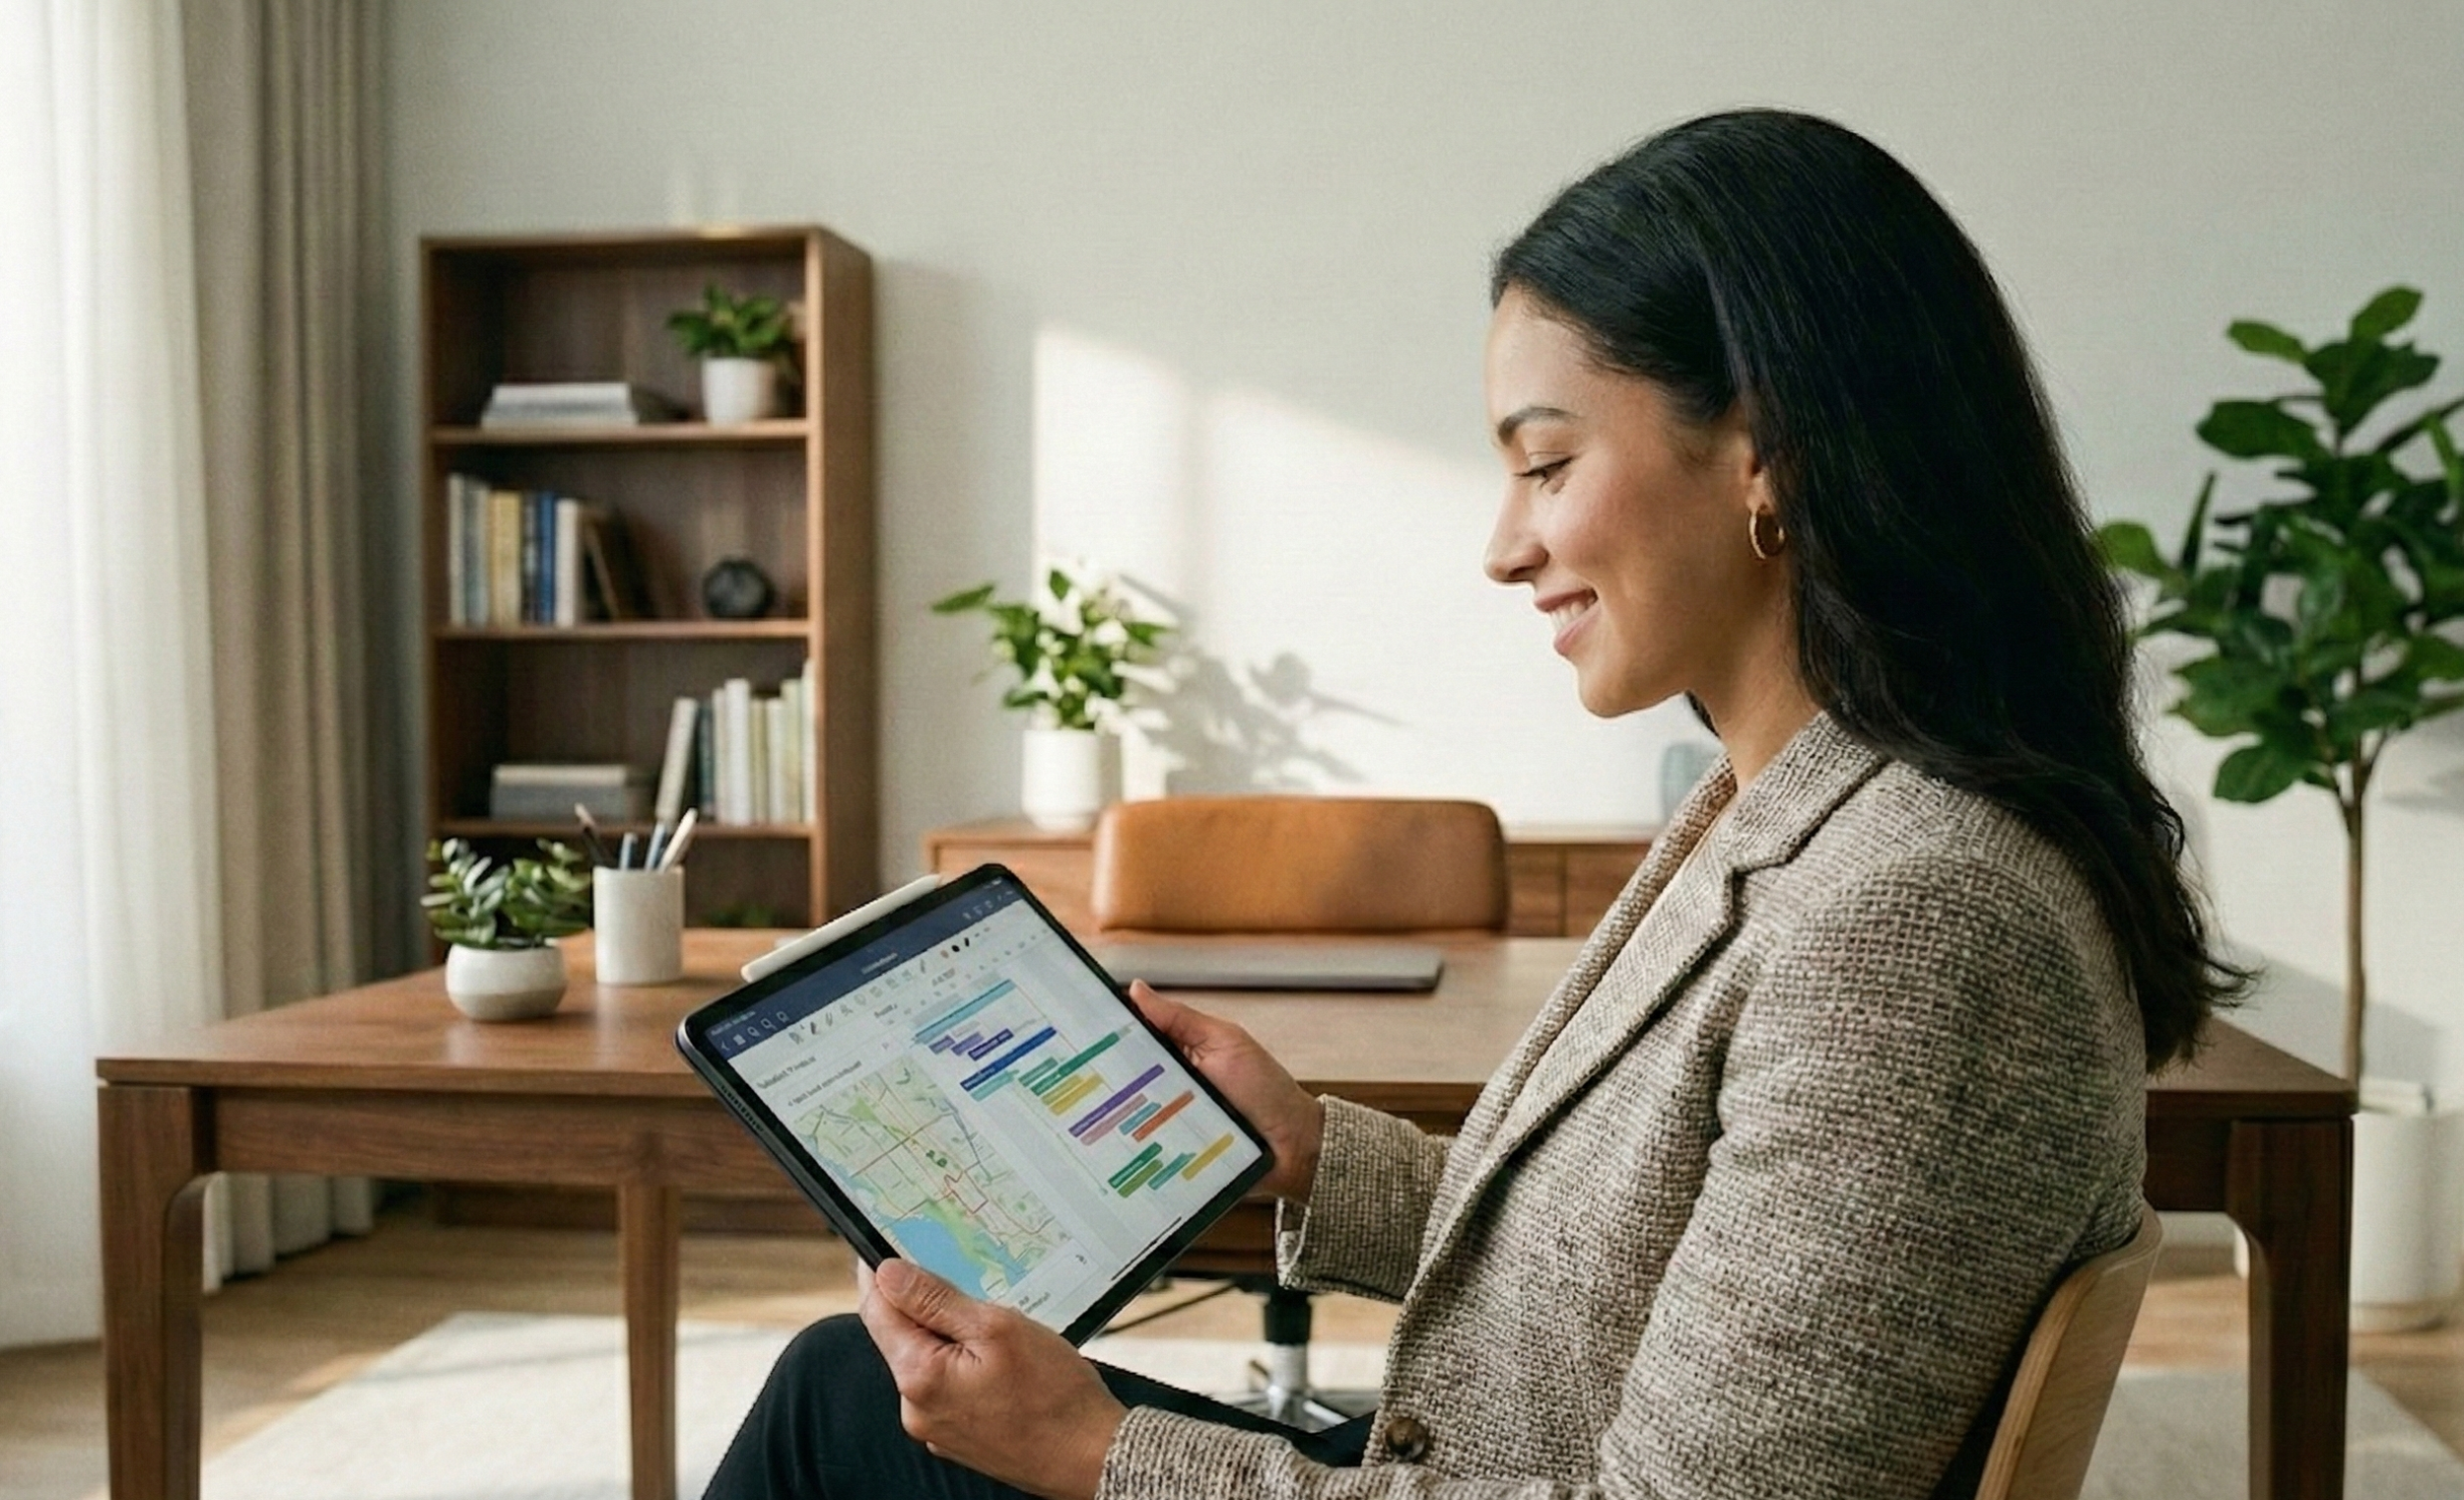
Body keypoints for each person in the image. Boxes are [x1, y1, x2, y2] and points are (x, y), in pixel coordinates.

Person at [703, 107, 2241, 1500]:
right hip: (1488, 1453)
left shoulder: (1919, 913)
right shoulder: (1811, 808)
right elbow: (1638, 1256)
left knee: (844, 1413)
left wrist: (1102, 1454)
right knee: (850, 1388)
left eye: (1547, 463)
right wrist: (1301, 1144)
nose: (1505, 546)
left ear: (1765, 446)